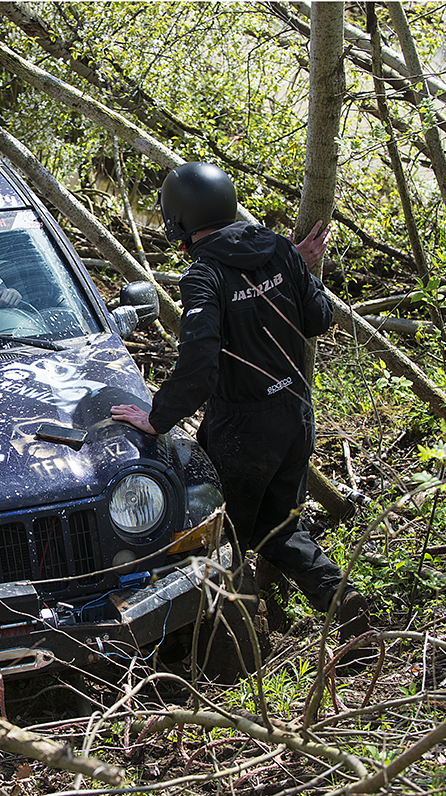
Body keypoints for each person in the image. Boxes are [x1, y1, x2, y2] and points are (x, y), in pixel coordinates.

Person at [110, 162, 371, 658]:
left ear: (179, 221)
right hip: (295, 415)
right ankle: (346, 603)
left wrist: (156, 416)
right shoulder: (276, 249)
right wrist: (293, 269)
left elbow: (200, 363)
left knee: (219, 533)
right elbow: (319, 317)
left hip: (242, 429)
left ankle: (243, 654)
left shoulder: (203, 275)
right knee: (279, 528)